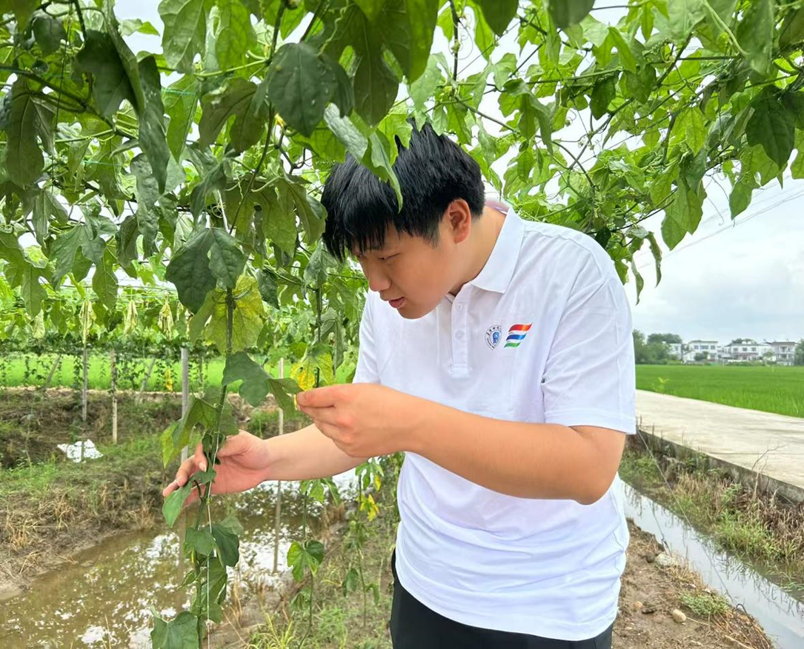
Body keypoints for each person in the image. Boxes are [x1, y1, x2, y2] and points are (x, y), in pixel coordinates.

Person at [164, 122, 636, 648]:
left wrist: (409, 423)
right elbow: (362, 432)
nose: (374, 282)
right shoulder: (387, 303)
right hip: (425, 584)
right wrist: (267, 460)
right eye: (362, 261)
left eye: (387, 258)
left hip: (548, 606)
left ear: (456, 220)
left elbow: (588, 466)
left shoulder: (571, 273)